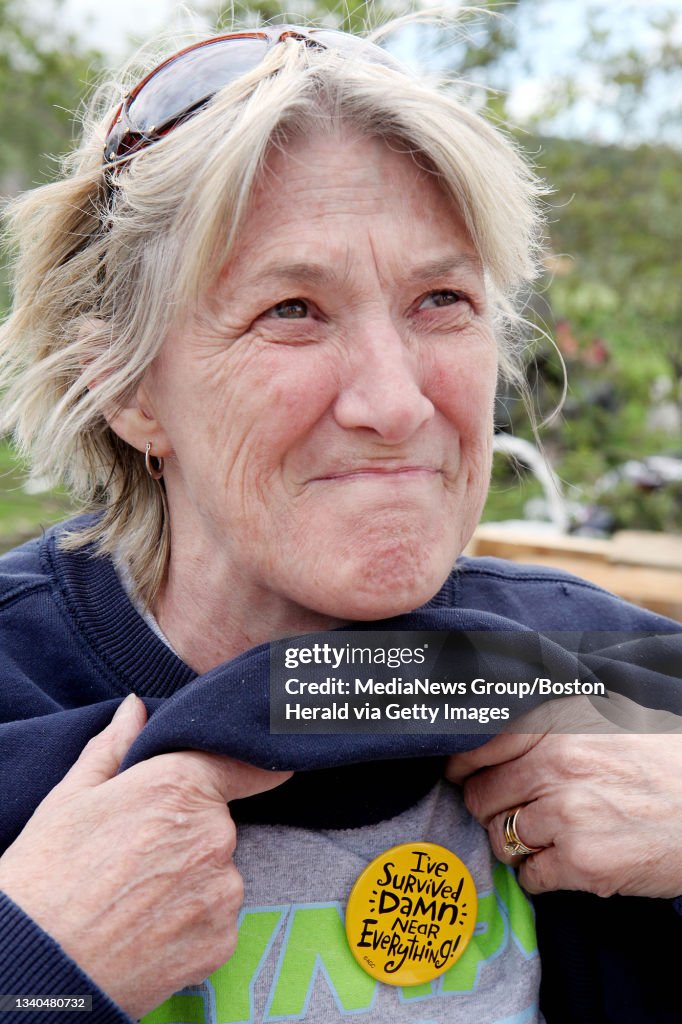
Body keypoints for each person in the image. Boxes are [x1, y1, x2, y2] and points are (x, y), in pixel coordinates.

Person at [0, 21, 680, 1024]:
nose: (395, 401)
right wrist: (33, 970)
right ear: (126, 383)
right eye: (293, 309)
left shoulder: (613, 675)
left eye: (440, 299)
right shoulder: (19, 690)